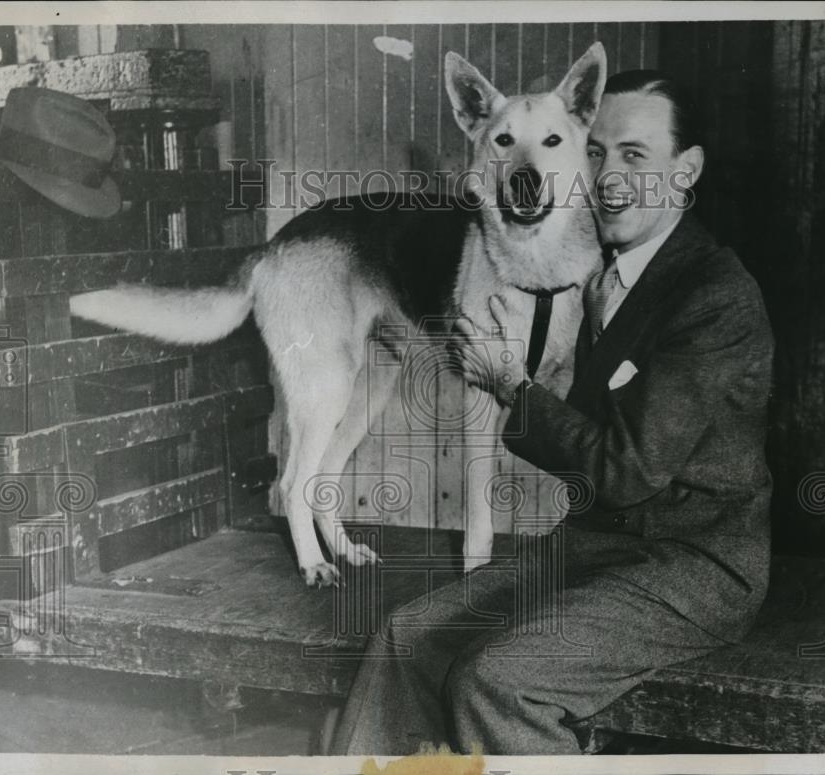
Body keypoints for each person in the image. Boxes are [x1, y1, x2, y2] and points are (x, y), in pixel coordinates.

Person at [331, 70, 775, 756]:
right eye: (595, 153)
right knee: (402, 638)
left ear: (686, 172)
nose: (607, 176)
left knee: (498, 680)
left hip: (693, 567)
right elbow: (577, 438)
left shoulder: (715, 294)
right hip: (594, 549)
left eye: (635, 155)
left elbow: (625, 470)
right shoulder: (599, 276)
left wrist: (512, 385)